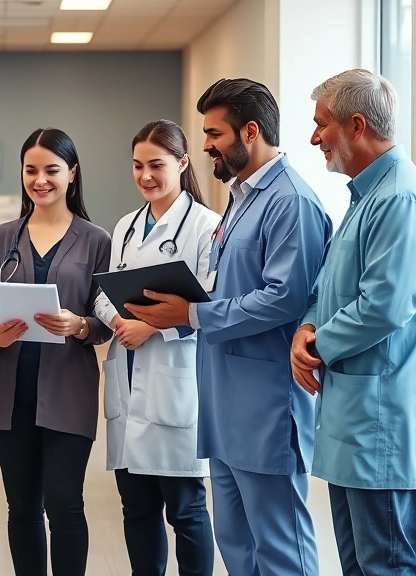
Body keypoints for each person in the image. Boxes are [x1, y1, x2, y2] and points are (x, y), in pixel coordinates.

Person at [126, 79, 331, 576]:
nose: (204, 146)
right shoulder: (242, 198)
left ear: (251, 131)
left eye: (213, 133)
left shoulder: (291, 203)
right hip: (222, 401)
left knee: (280, 547)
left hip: (264, 405)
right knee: (237, 546)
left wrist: (191, 314)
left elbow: (285, 298)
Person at [292, 69, 416, 576]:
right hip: (356, 419)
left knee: (384, 566)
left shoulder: (401, 200)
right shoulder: (366, 196)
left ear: (356, 125)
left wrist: (318, 346)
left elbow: (384, 306)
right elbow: (329, 284)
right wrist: (305, 327)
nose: (314, 136)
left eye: (322, 124)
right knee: (360, 567)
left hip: (385, 420)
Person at [0, 128, 113, 576]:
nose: (40, 179)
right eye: (31, 170)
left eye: (51, 169)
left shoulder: (96, 241)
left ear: (72, 173)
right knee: (22, 507)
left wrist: (81, 325)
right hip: (9, 394)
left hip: (68, 391)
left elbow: (109, 317)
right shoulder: (0, 238)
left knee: (65, 503)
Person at [93, 119, 221, 576]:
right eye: (137, 166)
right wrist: (118, 321)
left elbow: (211, 304)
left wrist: (151, 329)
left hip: (174, 380)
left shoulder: (208, 227)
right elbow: (102, 293)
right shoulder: (126, 226)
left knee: (185, 512)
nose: (145, 175)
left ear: (183, 163)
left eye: (156, 165)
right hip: (127, 380)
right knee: (137, 510)